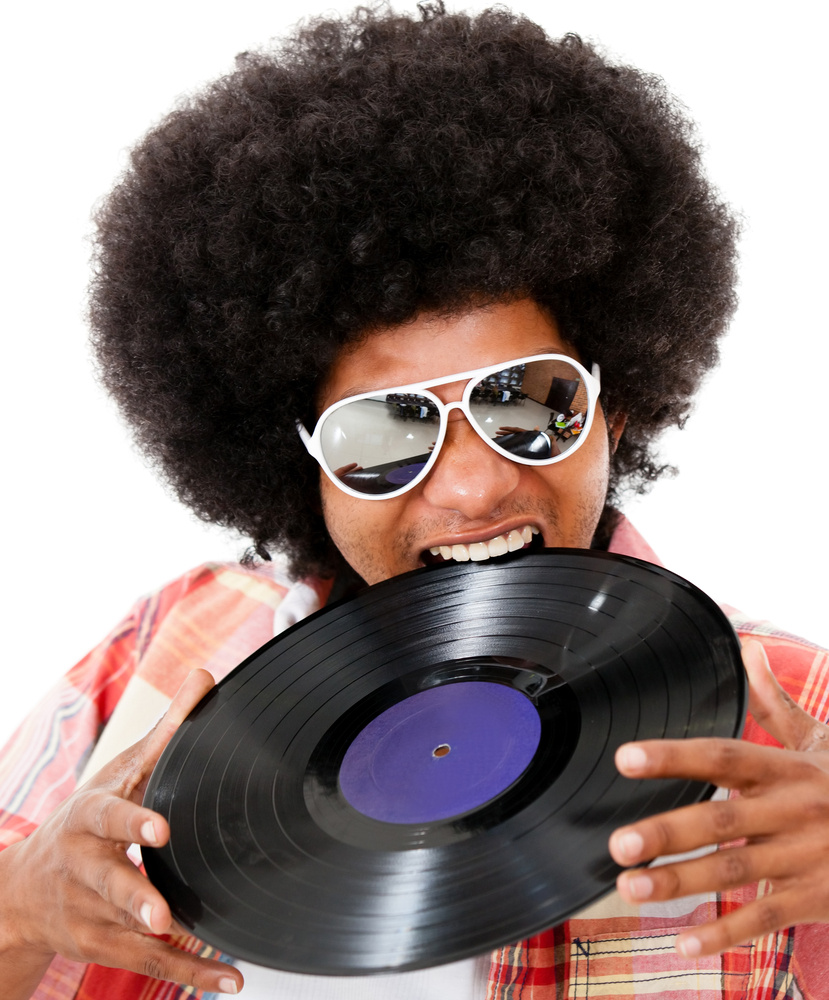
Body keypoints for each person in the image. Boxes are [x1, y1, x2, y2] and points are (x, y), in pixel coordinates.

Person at [2, 4, 829, 998]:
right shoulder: (162, 650)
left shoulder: (799, 718)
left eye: (529, 404)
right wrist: (17, 907)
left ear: (615, 405)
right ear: (292, 452)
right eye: (385, 434)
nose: (475, 484)